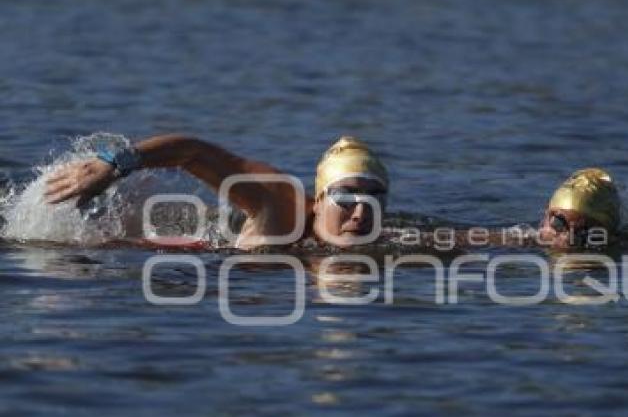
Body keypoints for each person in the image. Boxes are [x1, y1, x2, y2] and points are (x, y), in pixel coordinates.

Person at [44, 134, 389, 250]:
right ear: (321, 199)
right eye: (346, 197)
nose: (361, 212)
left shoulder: (387, 242)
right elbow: (193, 152)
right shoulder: (278, 202)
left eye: (374, 198)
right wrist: (112, 164)